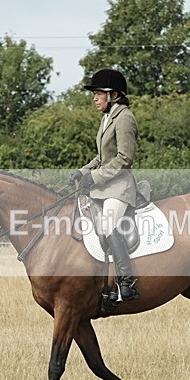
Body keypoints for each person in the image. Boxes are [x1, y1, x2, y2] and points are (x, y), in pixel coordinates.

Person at [69, 68, 139, 303]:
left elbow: (124, 159)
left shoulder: (125, 117)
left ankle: (127, 281)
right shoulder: (107, 118)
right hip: (103, 187)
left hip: (119, 188)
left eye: (99, 93)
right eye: (95, 94)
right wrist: (82, 171)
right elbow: (101, 158)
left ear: (114, 95)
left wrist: (95, 177)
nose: (94, 98)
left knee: (108, 224)